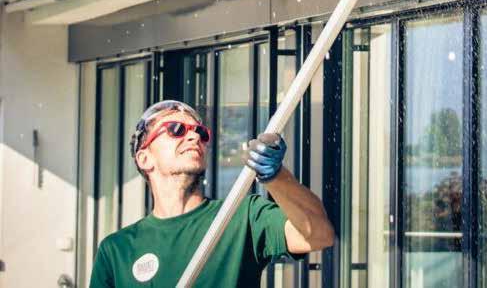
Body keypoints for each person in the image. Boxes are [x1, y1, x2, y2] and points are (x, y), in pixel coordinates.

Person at [90, 100, 334, 286]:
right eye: (176, 129)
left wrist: (276, 175)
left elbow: (318, 236)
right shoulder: (117, 250)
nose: (194, 136)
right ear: (144, 158)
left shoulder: (241, 216)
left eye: (201, 133)